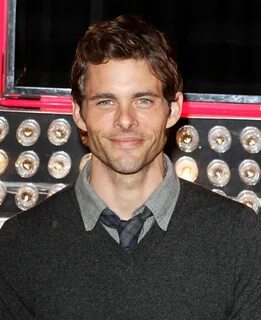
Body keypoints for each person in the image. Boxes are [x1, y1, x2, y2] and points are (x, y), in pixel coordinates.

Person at [0, 14, 261, 320]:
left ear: (173, 109)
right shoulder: (20, 245)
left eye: (143, 101)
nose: (125, 120)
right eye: (105, 102)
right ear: (79, 113)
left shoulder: (237, 236)